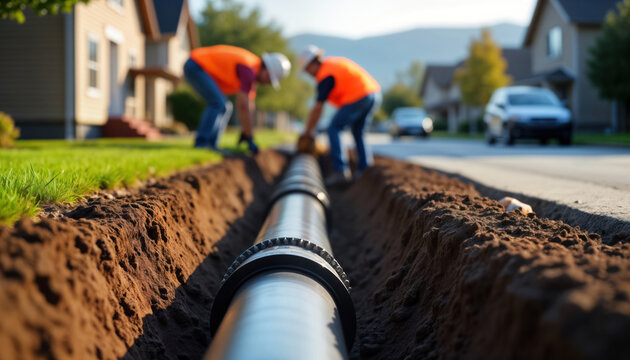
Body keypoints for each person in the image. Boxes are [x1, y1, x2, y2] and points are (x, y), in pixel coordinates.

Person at [298, 45, 381, 185]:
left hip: (359, 96)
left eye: (307, 70)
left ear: (312, 64)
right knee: (358, 132)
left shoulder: (325, 75)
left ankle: (341, 171)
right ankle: (365, 169)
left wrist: (307, 132)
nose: (308, 74)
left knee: (334, 128)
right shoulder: (333, 64)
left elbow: (317, 108)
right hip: (373, 94)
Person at [184, 45, 291, 153]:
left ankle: (211, 144)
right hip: (196, 65)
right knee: (218, 104)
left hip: (198, 66)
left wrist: (246, 131)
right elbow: (243, 105)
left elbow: (249, 106)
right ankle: (202, 143)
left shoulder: (253, 70)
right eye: (269, 79)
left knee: (225, 106)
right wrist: (249, 137)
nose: (268, 83)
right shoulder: (248, 69)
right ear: (267, 69)